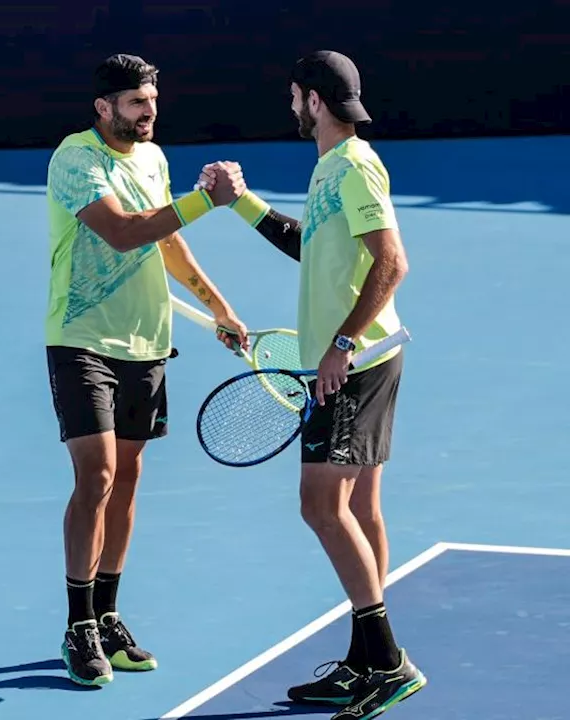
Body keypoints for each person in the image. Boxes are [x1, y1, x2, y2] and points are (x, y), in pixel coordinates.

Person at [199, 51, 426, 720]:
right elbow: (315, 247)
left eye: (294, 97)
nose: (291, 108)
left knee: (320, 505)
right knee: (358, 510)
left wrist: (342, 345)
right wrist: (238, 203)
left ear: (312, 100)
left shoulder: (352, 166)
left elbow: (393, 261)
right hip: (367, 356)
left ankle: (388, 662)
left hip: (354, 363)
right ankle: (364, 661)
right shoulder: (334, 165)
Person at [45, 53, 250, 687]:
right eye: (136, 104)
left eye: (152, 102)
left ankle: (108, 613)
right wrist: (203, 202)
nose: (148, 112)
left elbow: (167, 242)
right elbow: (125, 232)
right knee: (98, 473)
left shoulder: (154, 160)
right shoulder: (76, 160)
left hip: (148, 341)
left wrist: (219, 306)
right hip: (82, 338)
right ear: (103, 108)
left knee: (127, 478)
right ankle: (79, 623)